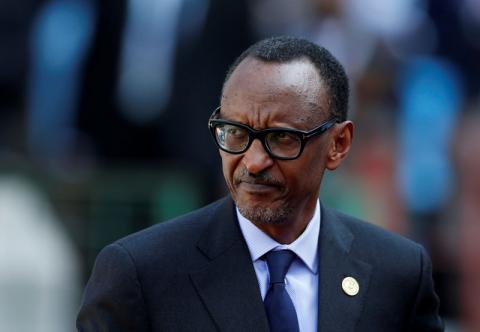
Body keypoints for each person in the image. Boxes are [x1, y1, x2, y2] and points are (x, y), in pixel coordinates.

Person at [77, 36, 443, 331]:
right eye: (235, 133)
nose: (252, 161)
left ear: (338, 145)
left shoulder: (398, 274)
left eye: (281, 138)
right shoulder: (141, 275)